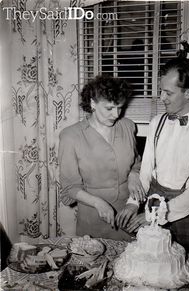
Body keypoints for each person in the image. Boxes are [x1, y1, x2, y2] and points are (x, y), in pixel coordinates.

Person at [125, 58, 189, 251]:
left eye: (168, 93)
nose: (161, 97)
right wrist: (132, 203)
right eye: (161, 90)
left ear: (188, 93)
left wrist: (153, 216)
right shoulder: (156, 123)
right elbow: (146, 174)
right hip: (152, 207)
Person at [58, 75, 145, 241]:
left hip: (129, 212)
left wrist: (134, 174)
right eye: (109, 108)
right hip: (93, 216)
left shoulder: (127, 126)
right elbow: (70, 186)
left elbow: (137, 162)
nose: (116, 114)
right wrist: (98, 202)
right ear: (92, 103)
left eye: (120, 107)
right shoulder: (70, 136)